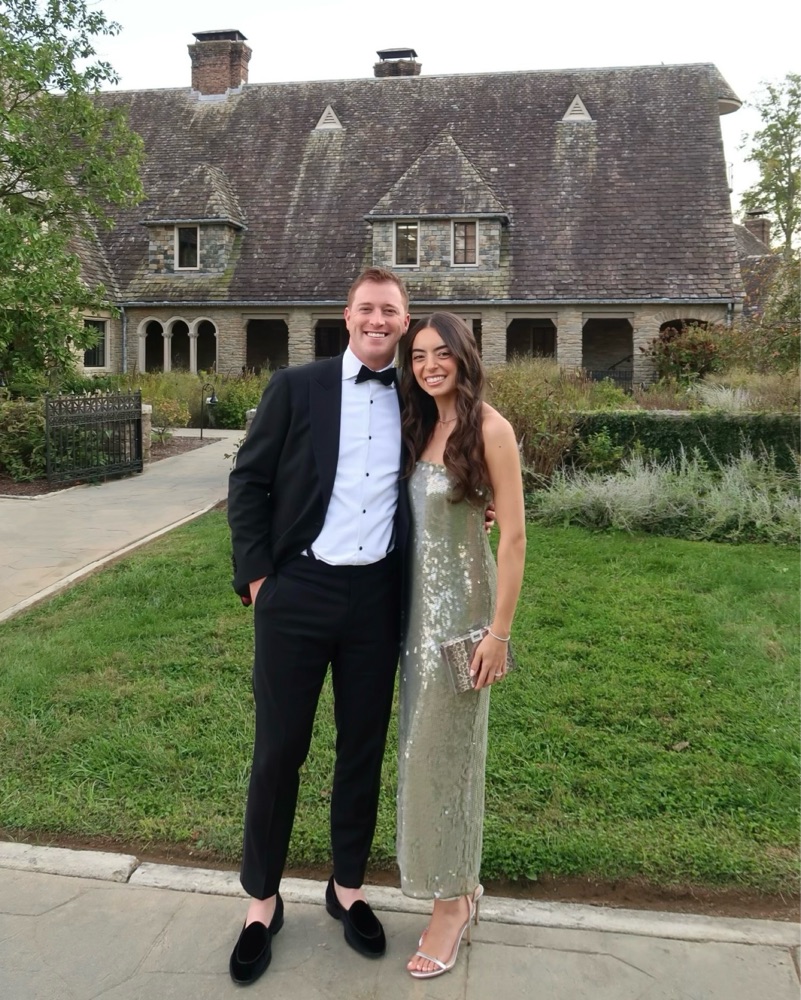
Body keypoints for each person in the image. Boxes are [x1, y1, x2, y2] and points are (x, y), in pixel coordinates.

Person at [226, 266, 411, 986]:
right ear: (347, 314)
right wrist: (259, 579)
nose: (377, 320)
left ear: (404, 320)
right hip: (297, 592)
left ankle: (347, 887)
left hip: (377, 599)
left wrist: (481, 506)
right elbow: (249, 480)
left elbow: (445, 472)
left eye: (389, 310)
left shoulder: (418, 396)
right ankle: (261, 902)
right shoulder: (296, 387)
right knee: (279, 749)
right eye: (367, 308)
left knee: (361, 747)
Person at [396, 312, 526, 979]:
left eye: (441, 353)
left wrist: (498, 634)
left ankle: (452, 904)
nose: (429, 365)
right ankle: (454, 886)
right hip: (410, 623)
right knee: (417, 754)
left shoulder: (490, 429)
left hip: (462, 623)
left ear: (464, 357)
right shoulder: (417, 424)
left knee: (445, 758)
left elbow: (514, 537)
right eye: (419, 355)